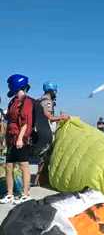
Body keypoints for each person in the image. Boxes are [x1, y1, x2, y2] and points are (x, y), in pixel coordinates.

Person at [0, 74, 34, 204]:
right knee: (9, 166)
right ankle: (10, 194)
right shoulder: (13, 101)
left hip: (20, 139)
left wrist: (20, 138)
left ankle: (25, 194)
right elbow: (9, 119)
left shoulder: (27, 102)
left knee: (24, 165)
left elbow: (26, 123)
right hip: (11, 138)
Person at [33, 81, 70, 186]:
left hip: (40, 131)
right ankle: (40, 181)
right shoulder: (47, 101)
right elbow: (49, 117)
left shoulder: (40, 100)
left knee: (44, 158)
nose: (56, 94)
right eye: (55, 91)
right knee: (46, 157)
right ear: (51, 91)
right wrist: (62, 117)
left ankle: (40, 180)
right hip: (46, 132)